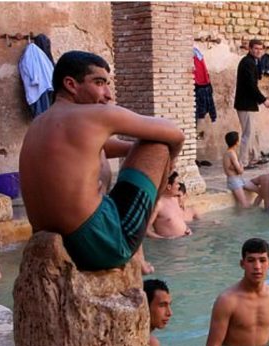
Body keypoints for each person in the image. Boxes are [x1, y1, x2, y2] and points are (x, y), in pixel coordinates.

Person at [19, 51, 184, 272]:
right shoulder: (96, 115)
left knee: (127, 151)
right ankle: (134, 252)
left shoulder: (39, 123)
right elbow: (175, 134)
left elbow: (103, 147)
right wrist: (166, 163)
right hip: (98, 246)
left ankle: (137, 251)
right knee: (159, 145)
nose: (107, 95)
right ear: (71, 84)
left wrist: (138, 153)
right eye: (99, 83)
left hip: (51, 240)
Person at [234, 39, 269, 169]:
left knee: (254, 132)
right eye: (256, 48)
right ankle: (242, 163)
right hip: (245, 104)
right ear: (250, 49)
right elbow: (251, 86)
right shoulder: (247, 63)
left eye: (260, 49)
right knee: (248, 134)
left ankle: (255, 158)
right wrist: (263, 100)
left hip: (249, 103)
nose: (258, 51)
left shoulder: (254, 62)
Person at [145, 279, 189, 346]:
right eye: (162, 305)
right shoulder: (151, 343)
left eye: (169, 305)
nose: (169, 313)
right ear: (145, 306)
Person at [146, 172, 192, 239]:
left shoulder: (175, 200)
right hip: (169, 246)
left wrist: (187, 228)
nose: (179, 186)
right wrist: (163, 239)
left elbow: (177, 221)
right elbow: (146, 230)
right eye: (176, 183)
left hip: (185, 241)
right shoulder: (158, 204)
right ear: (169, 187)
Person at [221, 131, 256, 208]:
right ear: (237, 142)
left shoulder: (228, 152)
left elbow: (233, 168)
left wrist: (235, 167)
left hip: (238, 179)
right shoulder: (231, 154)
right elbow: (240, 171)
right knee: (245, 205)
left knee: (259, 190)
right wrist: (240, 165)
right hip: (234, 181)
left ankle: (256, 205)